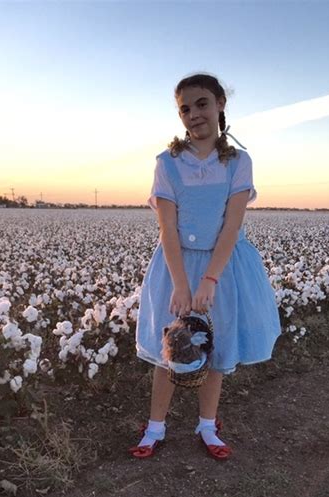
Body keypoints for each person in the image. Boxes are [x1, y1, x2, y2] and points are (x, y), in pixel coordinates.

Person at [131, 73, 282, 460]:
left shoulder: (238, 163)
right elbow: (167, 227)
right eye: (184, 108)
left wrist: (210, 279)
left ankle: (207, 426)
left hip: (225, 266)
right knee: (172, 346)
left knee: (216, 346)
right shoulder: (167, 162)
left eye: (201, 104)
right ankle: (155, 428)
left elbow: (232, 226)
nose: (193, 114)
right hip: (176, 265)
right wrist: (181, 285)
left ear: (219, 105)